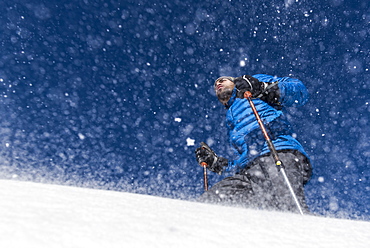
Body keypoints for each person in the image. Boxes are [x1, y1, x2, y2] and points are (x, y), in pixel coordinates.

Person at [195, 74, 312, 213]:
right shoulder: (231, 118)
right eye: (215, 85)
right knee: (210, 203)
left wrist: (262, 87)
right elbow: (246, 155)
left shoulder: (252, 85)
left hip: (277, 153)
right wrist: (217, 164)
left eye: (223, 80)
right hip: (249, 170)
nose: (218, 84)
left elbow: (300, 91)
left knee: (287, 210)